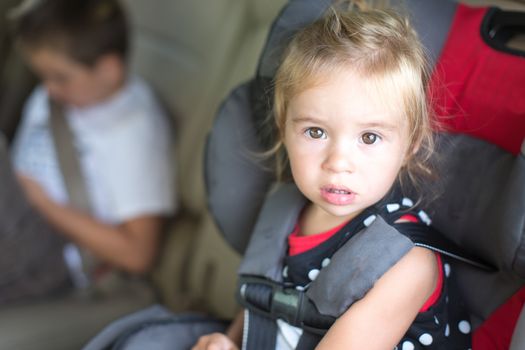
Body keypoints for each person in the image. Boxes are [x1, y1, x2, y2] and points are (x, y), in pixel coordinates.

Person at [193, 3, 471, 350]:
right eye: (315, 132)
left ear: (410, 145)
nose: (338, 162)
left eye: (369, 137)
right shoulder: (284, 212)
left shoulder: (406, 264)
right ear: (284, 128)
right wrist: (230, 341)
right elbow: (266, 299)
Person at [0, 0, 175, 303]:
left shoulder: (134, 130)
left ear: (109, 70)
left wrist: (39, 201)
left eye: (60, 77)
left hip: (53, 259)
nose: (50, 89)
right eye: (44, 76)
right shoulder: (56, 96)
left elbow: (138, 254)